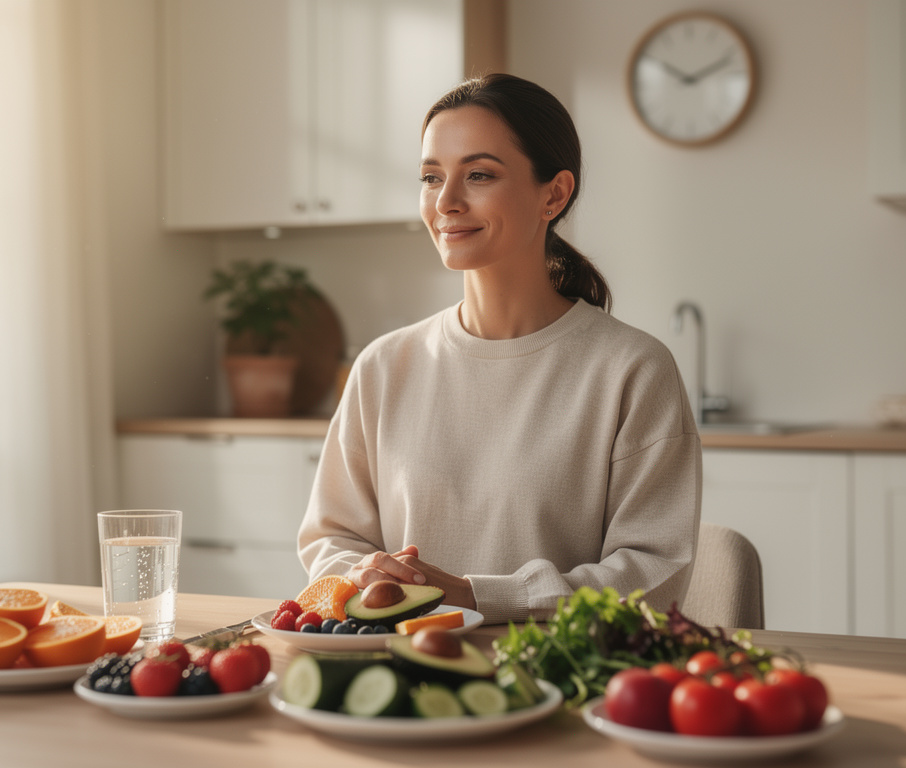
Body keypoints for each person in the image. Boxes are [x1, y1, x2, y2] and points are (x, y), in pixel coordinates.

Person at [296, 73, 701, 625]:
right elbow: (331, 538)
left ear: (554, 194)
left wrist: (476, 595)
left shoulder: (632, 369)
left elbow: (654, 573)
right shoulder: (384, 366)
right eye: (431, 176)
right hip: (399, 675)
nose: (446, 201)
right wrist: (364, 575)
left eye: (479, 174)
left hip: (560, 682)